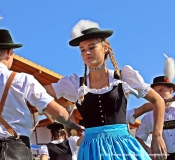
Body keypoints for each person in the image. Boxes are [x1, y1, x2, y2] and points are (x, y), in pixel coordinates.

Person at [44, 19, 167, 160]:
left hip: (122, 146)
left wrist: (157, 135)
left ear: (105, 48)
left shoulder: (123, 77)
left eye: (91, 47)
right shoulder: (75, 84)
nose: (87, 53)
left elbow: (158, 100)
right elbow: (39, 91)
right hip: (91, 149)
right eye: (82, 49)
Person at [0, 29, 83, 160]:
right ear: (9, 52)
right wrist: (71, 124)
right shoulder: (23, 80)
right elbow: (59, 113)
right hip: (18, 151)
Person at [136, 76, 175, 160]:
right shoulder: (149, 115)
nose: (158, 95)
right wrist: (147, 150)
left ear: (171, 90)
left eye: (161, 90)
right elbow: (138, 137)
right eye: (155, 92)